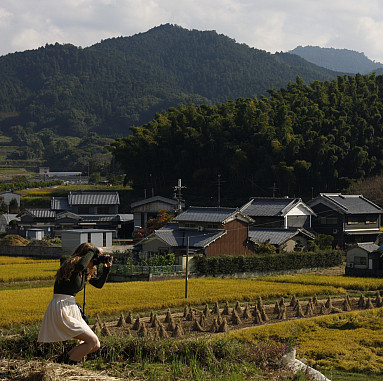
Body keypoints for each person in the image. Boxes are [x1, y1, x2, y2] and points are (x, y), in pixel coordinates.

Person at [38, 242, 113, 364]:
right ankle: (67, 364)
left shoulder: (83, 273)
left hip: (70, 307)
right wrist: (94, 250)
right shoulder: (72, 267)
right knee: (92, 341)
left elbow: (99, 285)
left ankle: (62, 362)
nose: (94, 262)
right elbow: (81, 265)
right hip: (61, 307)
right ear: (86, 255)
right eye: (93, 259)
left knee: (96, 344)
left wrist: (106, 269)